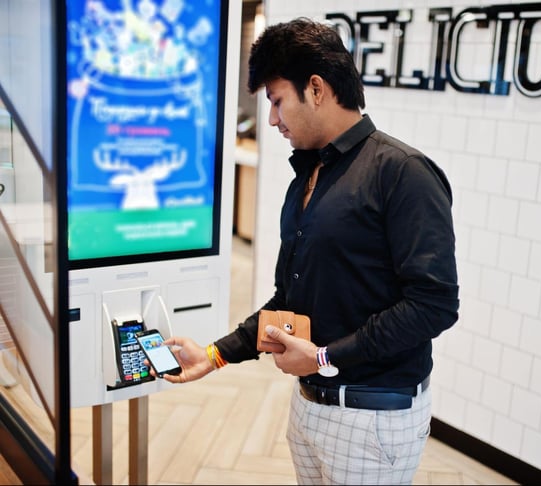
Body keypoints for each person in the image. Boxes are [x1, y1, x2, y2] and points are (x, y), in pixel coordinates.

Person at [155, 17, 459, 485]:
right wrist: (214, 355)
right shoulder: (308, 180)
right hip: (310, 408)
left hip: (372, 422)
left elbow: (433, 305)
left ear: (316, 88)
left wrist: (322, 357)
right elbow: (288, 302)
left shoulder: (404, 173)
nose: (272, 119)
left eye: (277, 102)